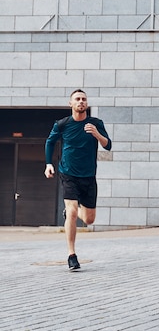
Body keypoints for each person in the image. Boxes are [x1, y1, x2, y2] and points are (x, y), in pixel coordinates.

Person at [44, 89, 112, 271]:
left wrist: (97, 134)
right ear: (71, 104)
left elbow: (108, 145)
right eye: (77, 99)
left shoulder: (96, 123)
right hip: (68, 174)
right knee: (72, 211)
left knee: (89, 219)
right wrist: (49, 164)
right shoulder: (62, 124)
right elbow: (50, 142)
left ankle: (71, 213)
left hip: (88, 176)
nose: (81, 102)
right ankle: (71, 255)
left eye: (83, 99)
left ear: (86, 104)